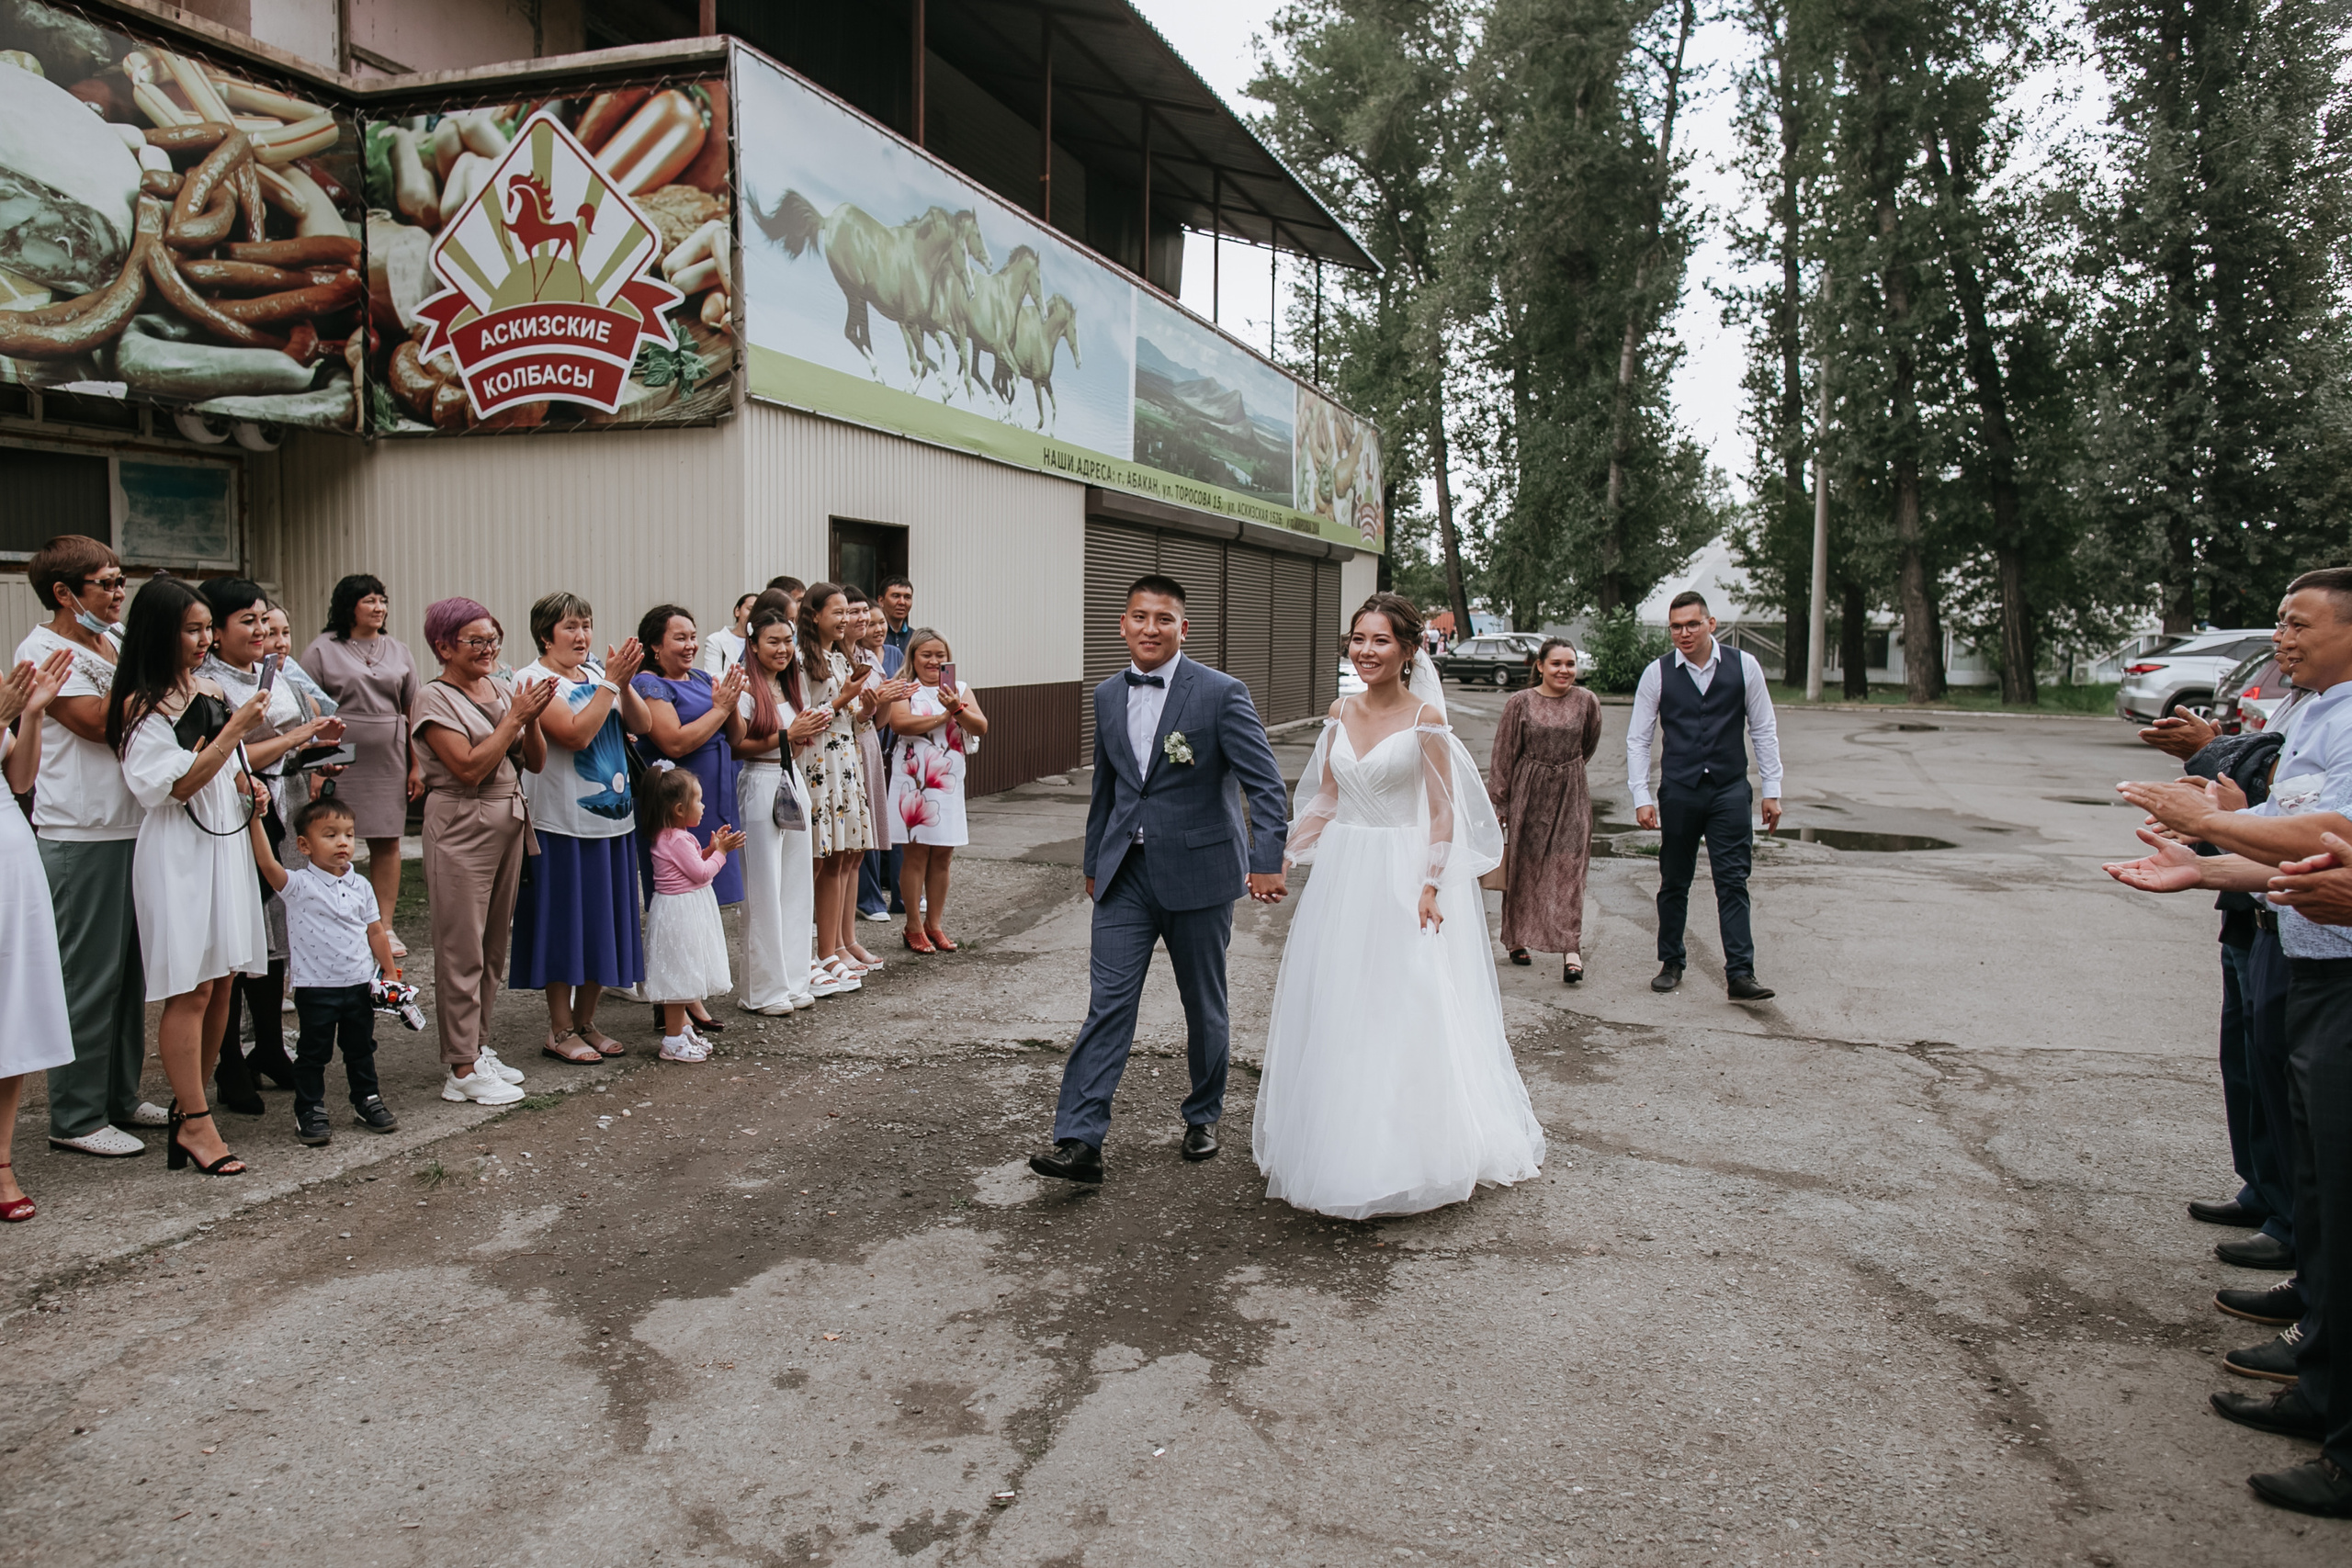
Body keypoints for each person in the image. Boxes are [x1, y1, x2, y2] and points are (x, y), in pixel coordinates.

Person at [2107, 568, 2352, 1517]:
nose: (2281, 638)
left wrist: (2213, 823)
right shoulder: (2316, 710)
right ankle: (2324, 1393)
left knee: (2337, 1199)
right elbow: (2306, 840)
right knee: (2320, 1190)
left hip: (2337, 969)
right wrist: (2208, 865)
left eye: (2297, 623)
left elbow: (2332, 833)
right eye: (2280, 622)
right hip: (2309, 954)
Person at [1254, 593, 1544, 1217]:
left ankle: (1407, 1152)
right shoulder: (1340, 711)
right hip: (1344, 873)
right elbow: (1327, 798)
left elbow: (1443, 811)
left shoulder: (1425, 720)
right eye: (1358, 639)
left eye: (1380, 640)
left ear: (1409, 650)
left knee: (1401, 1000)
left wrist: (1432, 882)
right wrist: (1285, 853)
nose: (1365, 651)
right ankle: (1337, 1142)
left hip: (1401, 872)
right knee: (1340, 999)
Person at [1028, 574, 1290, 1185]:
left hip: (1201, 873)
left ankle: (1203, 1113)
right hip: (1125, 874)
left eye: (1164, 618)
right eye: (1140, 617)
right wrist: (1093, 862)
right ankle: (1079, 1140)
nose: (1151, 628)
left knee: (1204, 1002)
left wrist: (1267, 858)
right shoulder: (1106, 694)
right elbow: (1107, 787)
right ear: (1123, 624)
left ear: (1183, 629)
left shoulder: (1221, 693)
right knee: (1108, 1004)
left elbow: (1265, 784)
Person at [107, 577, 273, 1177]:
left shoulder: (208, 690)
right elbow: (173, 786)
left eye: (207, 628)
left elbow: (224, 767)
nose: (205, 640)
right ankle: (197, 1122)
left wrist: (248, 784)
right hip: (178, 848)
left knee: (224, 980)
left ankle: (189, 1108)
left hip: (223, 839)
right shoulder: (141, 705)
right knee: (192, 987)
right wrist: (234, 731)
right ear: (160, 633)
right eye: (192, 629)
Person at [15, 536, 162, 1160]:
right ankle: (75, 1115)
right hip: (83, 830)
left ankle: (120, 1096)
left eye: (122, 580)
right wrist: (160, 686)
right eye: (106, 583)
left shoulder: (118, 639)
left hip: (135, 825)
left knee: (129, 978)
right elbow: (97, 723)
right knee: (89, 980)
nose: (119, 592)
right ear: (64, 592)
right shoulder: (42, 651)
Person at [199, 578, 345, 1116]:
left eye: (264, 619)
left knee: (278, 932)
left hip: (287, 802)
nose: (262, 630)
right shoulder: (207, 683)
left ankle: (268, 1045)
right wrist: (297, 738)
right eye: (248, 621)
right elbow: (233, 754)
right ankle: (229, 1062)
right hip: (241, 811)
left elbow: (284, 749)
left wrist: (318, 751)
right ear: (215, 631)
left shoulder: (273, 672)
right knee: (242, 935)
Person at [413, 597, 549, 1106]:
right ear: (444, 646)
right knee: (461, 948)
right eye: (476, 640)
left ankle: (478, 1045)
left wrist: (532, 718)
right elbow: (469, 767)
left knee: (492, 947)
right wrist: (515, 718)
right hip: (461, 822)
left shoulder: (501, 689)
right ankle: (461, 1067)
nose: (488, 648)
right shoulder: (433, 698)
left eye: (493, 638)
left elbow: (535, 761)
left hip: (507, 817)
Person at [514, 592, 652, 1064]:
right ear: (544, 635)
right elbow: (574, 734)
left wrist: (622, 684)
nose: (582, 635)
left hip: (613, 823)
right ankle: (559, 1028)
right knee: (563, 924)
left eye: (586, 625)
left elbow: (643, 724)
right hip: (561, 824)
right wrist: (610, 684)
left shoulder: (596, 674)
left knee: (602, 923)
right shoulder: (533, 679)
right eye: (570, 626)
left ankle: (587, 1021)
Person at [1625, 591, 1784, 999]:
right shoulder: (1657, 673)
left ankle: (1740, 974)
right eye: (1676, 627)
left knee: (1733, 881)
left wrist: (1772, 790)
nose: (1684, 633)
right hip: (1679, 789)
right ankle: (1671, 961)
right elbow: (1639, 739)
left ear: (1711, 624)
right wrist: (1641, 796)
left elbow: (1763, 728)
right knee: (1674, 879)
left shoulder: (1744, 666)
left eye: (1692, 624)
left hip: (1729, 789)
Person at [248, 795, 399, 1145]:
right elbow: (267, 864)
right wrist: (256, 819)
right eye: (330, 835)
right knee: (313, 1052)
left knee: (361, 1048)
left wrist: (389, 971)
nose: (342, 842)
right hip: (316, 988)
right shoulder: (299, 885)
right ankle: (310, 1108)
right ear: (304, 845)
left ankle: (367, 1099)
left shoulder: (361, 886)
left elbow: (375, 931)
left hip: (359, 984)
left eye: (349, 834)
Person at [632, 604, 747, 1035]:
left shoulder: (701, 678)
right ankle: (676, 999)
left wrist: (731, 704)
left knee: (703, 903)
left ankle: (690, 991)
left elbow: (736, 737)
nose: (690, 645)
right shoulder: (650, 684)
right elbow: (674, 743)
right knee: (678, 900)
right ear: (655, 646)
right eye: (679, 638)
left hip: (708, 799)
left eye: (693, 636)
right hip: (673, 807)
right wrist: (720, 707)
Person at [0, 649, 83, 1218]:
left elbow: (21, 778)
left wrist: (30, 715)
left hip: (11, 858)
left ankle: (2, 1162)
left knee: (14, 1010)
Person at [300, 575, 420, 936]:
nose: (379, 607)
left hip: (389, 759)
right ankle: (338, 921)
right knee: (331, 838)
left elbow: (413, 709)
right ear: (348, 606)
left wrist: (417, 765)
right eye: (369, 600)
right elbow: (307, 711)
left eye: (382, 600)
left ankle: (384, 926)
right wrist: (315, 769)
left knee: (387, 840)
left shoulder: (398, 649)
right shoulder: (321, 650)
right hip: (338, 758)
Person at [727, 607, 830, 1014]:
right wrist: (789, 735)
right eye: (773, 641)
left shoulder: (791, 685)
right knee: (764, 889)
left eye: (788, 640)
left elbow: (794, 746)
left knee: (796, 886)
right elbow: (737, 746)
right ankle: (762, 991)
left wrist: (801, 737)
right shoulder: (744, 688)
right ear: (753, 644)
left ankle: (794, 981)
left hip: (791, 780)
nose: (783, 649)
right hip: (758, 781)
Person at [1489, 638, 1602, 983]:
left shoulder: (1586, 701)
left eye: (1570, 664)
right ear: (1540, 666)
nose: (1564, 670)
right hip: (1528, 795)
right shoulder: (1520, 702)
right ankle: (1516, 938)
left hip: (1571, 795)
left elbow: (1588, 744)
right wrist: (1500, 801)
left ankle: (1571, 950)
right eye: (1556, 663)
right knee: (1524, 868)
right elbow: (1504, 753)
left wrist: (1565, 769)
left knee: (1569, 872)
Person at [797, 583, 881, 997]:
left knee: (841, 855)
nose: (846, 620)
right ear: (814, 615)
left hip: (845, 762)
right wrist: (843, 698)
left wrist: (865, 709)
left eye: (848, 612)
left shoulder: (839, 657)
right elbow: (803, 716)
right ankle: (811, 952)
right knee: (817, 859)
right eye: (838, 612)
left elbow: (850, 719)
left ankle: (832, 949)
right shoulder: (800, 658)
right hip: (817, 762)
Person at [885, 628, 988, 953]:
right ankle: (913, 925)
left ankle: (935, 924)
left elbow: (981, 726)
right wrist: (944, 716)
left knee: (943, 854)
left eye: (939, 655)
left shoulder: (958, 688)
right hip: (913, 781)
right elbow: (900, 723)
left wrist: (957, 709)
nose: (933, 661)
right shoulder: (906, 687)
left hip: (947, 781)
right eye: (926, 655)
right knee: (916, 854)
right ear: (913, 657)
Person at [639, 766, 745, 1062]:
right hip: (680, 913)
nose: (703, 806)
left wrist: (711, 850)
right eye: (698, 801)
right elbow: (700, 873)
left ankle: (682, 1032)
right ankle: (673, 1040)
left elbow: (691, 866)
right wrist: (722, 854)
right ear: (679, 809)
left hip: (682, 910)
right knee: (679, 978)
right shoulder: (677, 839)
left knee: (684, 972)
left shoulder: (673, 837)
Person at [844, 586, 913, 948]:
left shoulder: (873, 657)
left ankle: (847, 940)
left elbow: (879, 720)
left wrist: (884, 700)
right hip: (841, 750)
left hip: (871, 744)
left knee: (864, 836)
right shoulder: (829, 658)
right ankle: (856, 913)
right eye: (854, 613)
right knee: (845, 845)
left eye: (868, 615)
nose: (866, 622)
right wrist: (868, 710)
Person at [701, 592, 757, 676]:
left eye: (758, 612)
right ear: (737, 611)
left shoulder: (761, 642)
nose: (754, 615)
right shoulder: (716, 640)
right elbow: (712, 677)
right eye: (750, 609)